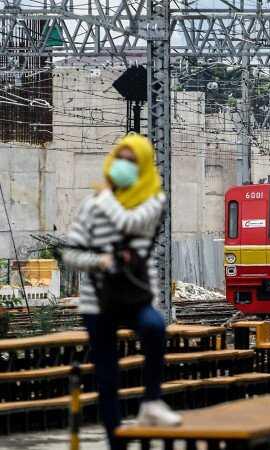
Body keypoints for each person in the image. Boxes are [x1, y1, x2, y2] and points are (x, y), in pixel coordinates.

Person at [62, 133, 181, 449]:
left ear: (143, 166)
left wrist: (105, 199)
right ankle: (116, 440)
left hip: (138, 295)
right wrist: (100, 260)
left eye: (132, 161)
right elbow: (71, 253)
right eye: (120, 159)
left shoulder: (154, 201)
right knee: (107, 375)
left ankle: (152, 401)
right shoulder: (91, 206)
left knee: (154, 328)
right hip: (97, 301)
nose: (123, 166)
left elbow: (129, 224)